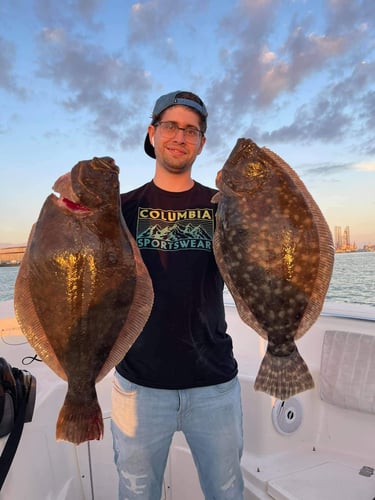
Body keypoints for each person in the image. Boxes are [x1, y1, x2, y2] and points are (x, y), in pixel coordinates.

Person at [111, 90, 244, 500]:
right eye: (171, 126)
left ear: (202, 143)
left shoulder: (223, 206)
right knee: (137, 493)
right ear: (152, 134)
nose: (180, 136)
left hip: (214, 384)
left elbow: (257, 265)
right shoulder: (119, 209)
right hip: (139, 386)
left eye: (192, 130)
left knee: (226, 491)